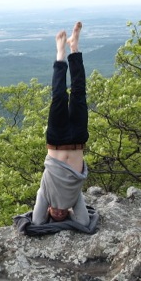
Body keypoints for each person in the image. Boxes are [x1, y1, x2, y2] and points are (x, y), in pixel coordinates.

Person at [32, 22, 91, 226]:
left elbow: (37, 222)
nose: (58, 213)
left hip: (56, 140)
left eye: (54, 214)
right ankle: (74, 48)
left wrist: (45, 203)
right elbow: (83, 222)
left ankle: (60, 54)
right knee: (78, 93)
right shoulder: (74, 199)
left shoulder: (45, 193)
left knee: (59, 97)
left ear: (48, 209)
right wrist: (69, 213)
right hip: (78, 139)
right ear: (69, 213)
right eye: (62, 215)